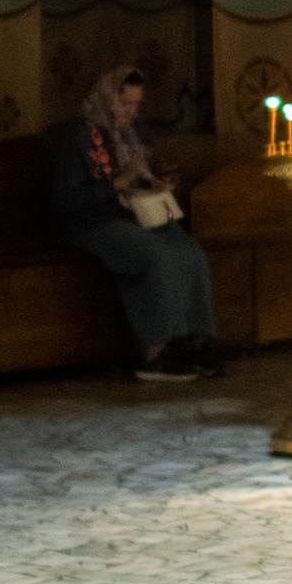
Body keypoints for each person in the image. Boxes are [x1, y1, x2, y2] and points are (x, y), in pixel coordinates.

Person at [51, 66, 224, 381]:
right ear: (107, 98)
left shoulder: (137, 132)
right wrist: (116, 184)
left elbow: (149, 172)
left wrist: (160, 182)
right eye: (125, 104)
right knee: (152, 254)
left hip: (140, 215)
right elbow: (67, 199)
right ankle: (156, 352)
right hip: (93, 221)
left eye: (136, 105)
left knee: (188, 250)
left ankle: (193, 340)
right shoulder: (79, 137)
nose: (131, 112)